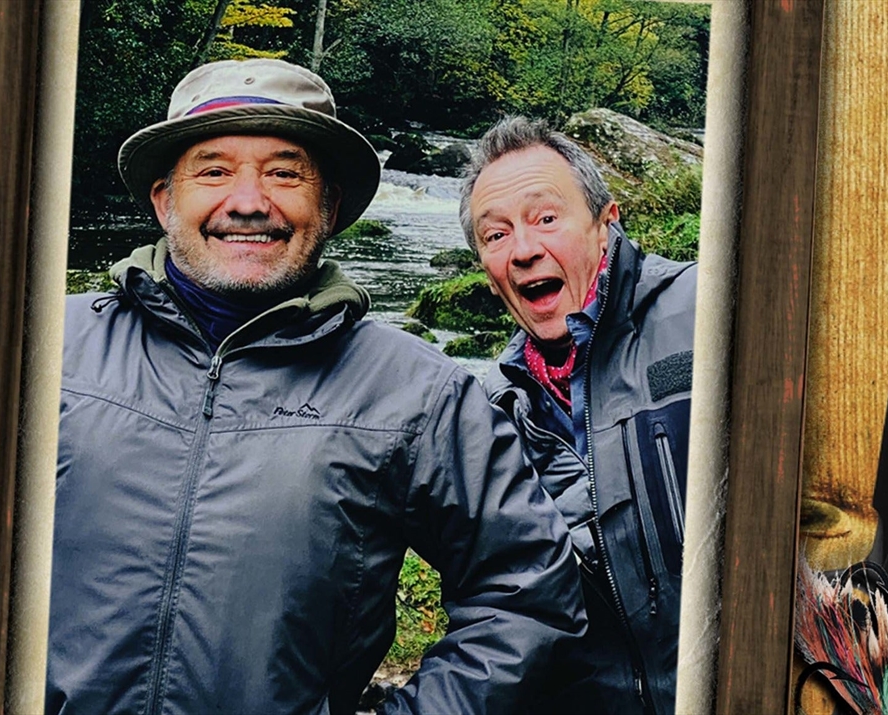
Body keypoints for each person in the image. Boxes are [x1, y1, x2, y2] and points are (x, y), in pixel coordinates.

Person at [46, 59, 586, 715]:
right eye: (214, 170)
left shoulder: (419, 392)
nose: (248, 201)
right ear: (164, 199)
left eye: (284, 172)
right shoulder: (46, 348)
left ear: (328, 205)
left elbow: (526, 588)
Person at [460, 116, 697, 715]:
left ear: (606, 224)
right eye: (495, 235)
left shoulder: (712, 309)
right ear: (487, 275)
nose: (522, 250)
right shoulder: (490, 412)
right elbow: (498, 611)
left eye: (545, 218)